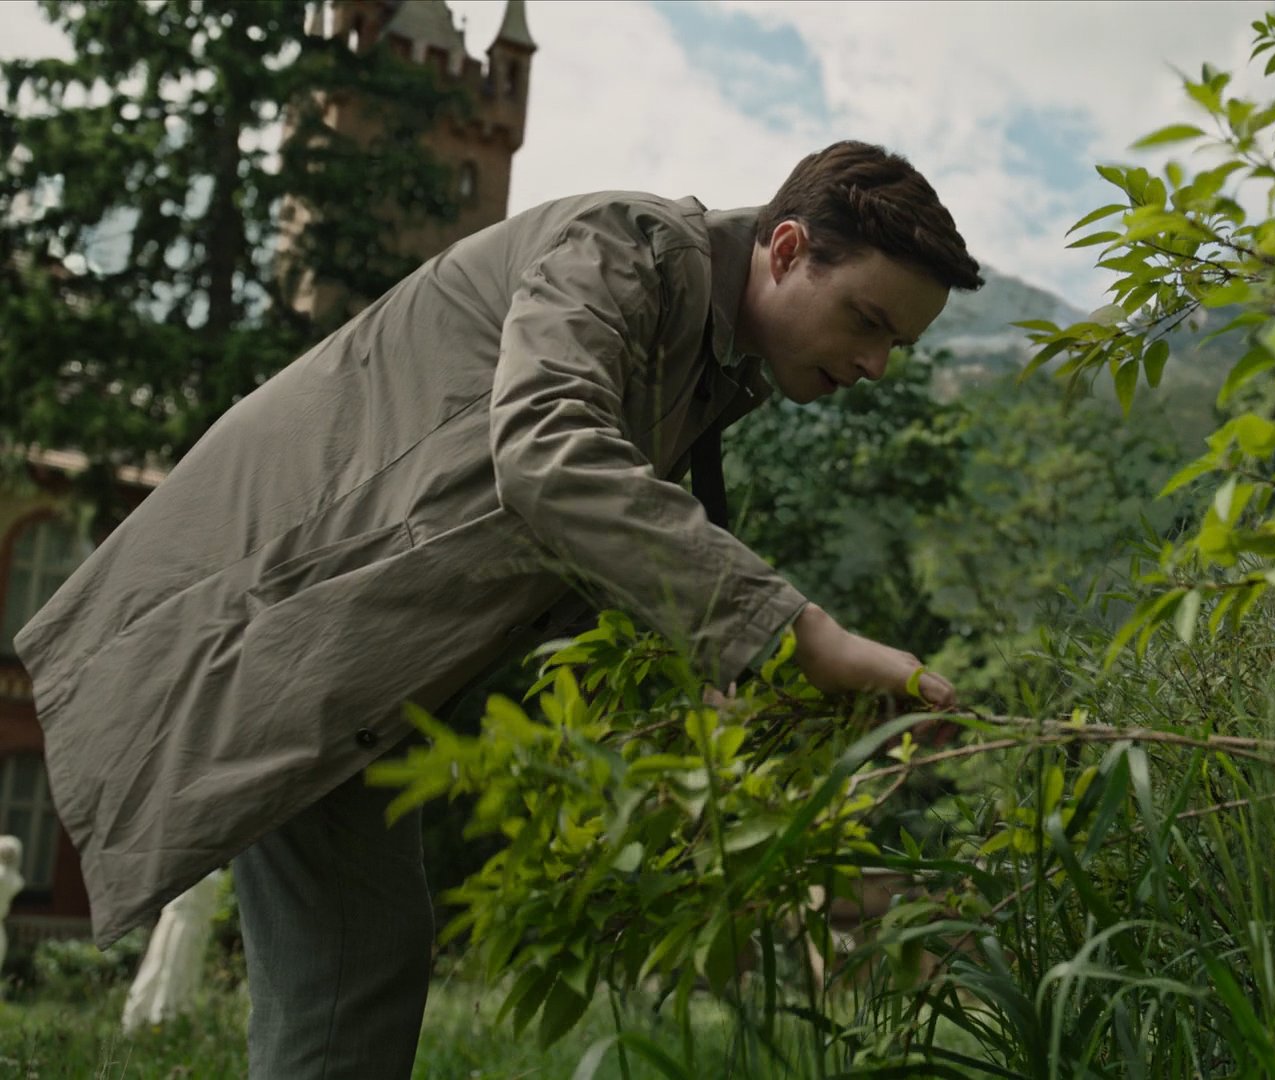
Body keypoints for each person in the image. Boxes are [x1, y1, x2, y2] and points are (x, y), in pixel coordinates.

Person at [12, 139, 982, 1077]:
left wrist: (758, 688)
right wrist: (802, 634)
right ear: (787, 250)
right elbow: (548, 453)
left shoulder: (700, 357)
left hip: (346, 664)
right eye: (867, 321)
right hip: (278, 619)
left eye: (896, 345)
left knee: (360, 962)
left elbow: (598, 553)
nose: (875, 366)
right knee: (355, 970)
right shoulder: (623, 249)